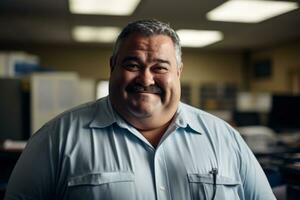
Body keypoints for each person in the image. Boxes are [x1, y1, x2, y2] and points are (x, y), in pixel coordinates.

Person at [5, 19, 275, 200]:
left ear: (178, 73)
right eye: (132, 65)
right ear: (112, 67)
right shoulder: (56, 138)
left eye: (160, 67)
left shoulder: (225, 139)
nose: (146, 79)